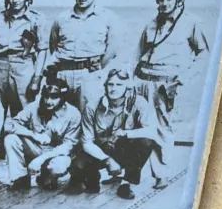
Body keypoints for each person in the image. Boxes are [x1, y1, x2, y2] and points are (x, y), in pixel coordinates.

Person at [71, 68, 166, 199]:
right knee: (78, 166)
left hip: (123, 148)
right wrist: (107, 160)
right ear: (105, 86)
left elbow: (151, 131)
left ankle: (126, 183)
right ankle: (93, 178)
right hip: (100, 150)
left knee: (146, 142)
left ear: (127, 87)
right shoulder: (92, 107)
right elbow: (87, 142)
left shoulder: (139, 103)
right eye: (110, 84)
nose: (113, 89)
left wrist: (125, 133)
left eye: (119, 84)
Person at [135, 0, 210, 140]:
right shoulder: (151, 24)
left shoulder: (190, 23)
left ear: (178, 1)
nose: (164, 3)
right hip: (143, 83)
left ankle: (166, 154)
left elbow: (204, 53)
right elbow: (137, 54)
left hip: (166, 86)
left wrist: (185, 78)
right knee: (141, 127)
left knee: (164, 129)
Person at [44, 0, 124, 114]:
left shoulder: (108, 18)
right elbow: (54, 46)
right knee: (61, 115)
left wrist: (95, 68)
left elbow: (112, 50)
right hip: (63, 75)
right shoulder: (62, 18)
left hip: (90, 76)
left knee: (88, 114)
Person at [3, 78, 82, 191]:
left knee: (58, 167)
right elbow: (9, 125)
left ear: (62, 98)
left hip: (56, 153)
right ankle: (20, 178)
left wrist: (41, 159)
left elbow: (68, 146)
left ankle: (49, 175)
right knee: (11, 139)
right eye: (46, 97)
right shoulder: (34, 106)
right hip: (36, 148)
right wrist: (33, 134)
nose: (48, 101)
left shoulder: (73, 114)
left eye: (54, 98)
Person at [0, 0, 48, 116]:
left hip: (23, 66)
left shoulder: (36, 20)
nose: (15, 0)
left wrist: (37, 78)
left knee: (24, 109)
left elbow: (42, 51)